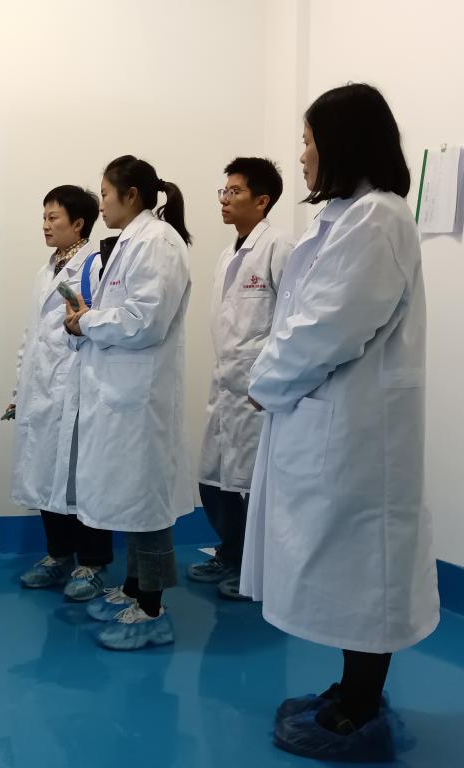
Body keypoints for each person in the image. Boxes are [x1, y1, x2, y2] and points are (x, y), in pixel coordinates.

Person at [240, 84, 440, 761]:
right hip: (329, 420)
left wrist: (264, 382)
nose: (301, 156)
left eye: (308, 142)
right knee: (347, 566)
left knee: (363, 568)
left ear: (342, 144)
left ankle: (360, 706)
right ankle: (352, 689)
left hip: (357, 434)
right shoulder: (348, 217)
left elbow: (326, 326)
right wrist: (272, 378)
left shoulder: (378, 219)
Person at [64, 155, 194, 651]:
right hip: (122, 395)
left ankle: (153, 611)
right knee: (133, 502)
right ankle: (136, 588)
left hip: (141, 401)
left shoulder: (158, 243)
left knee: (147, 506)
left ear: (131, 195)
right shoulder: (131, 243)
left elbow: (145, 321)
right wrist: (87, 319)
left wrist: (88, 321)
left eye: (104, 194)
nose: (100, 204)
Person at [190, 157, 294, 600]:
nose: (225, 199)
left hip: (258, 389)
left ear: (262, 200)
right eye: (224, 191)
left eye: (235, 191)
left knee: (255, 486)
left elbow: (291, 318)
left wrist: (271, 376)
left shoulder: (280, 247)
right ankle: (231, 554)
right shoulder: (227, 254)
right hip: (226, 384)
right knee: (213, 480)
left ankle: (259, 570)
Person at [8, 185, 112, 602]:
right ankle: (58, 554)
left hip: (77, 386)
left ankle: (93, 562)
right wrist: (19, 387)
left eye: (53, 218)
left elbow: (100, 325)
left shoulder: (97, 266)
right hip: (42, 388)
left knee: (82, 478)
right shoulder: (46, 270)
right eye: (44, 217)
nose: (46, 225)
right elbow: (32, 334)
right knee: (44, 471)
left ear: (79, 223)